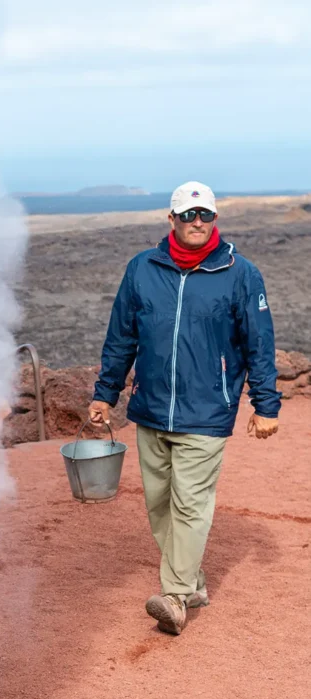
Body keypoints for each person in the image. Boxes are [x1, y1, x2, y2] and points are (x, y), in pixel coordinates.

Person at [89, 181, 281, 635]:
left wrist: (266, 404)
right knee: (159, 503)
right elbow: (121, 339)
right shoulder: (142, 269)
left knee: (191, 502)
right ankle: (192, 582)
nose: (198, 223)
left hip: (207, 410)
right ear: (171, 219)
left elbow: (260, 343)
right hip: (151, 408)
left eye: (206, 215)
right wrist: (105, 393)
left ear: (215, 219)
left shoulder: (241, 273)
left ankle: (174, 596)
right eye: (189, 215)